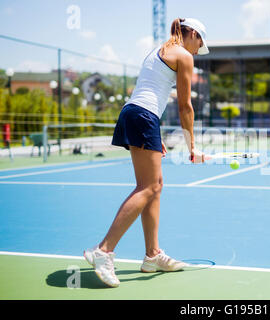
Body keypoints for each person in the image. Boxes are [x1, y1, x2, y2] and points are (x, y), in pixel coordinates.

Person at [83, 18, 209, 287]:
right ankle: (103, 251)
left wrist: (155, 135)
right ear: (194, 34)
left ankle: (152, 255)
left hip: (136, 113)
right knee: (148, 187)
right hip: (143, 116)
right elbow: (186, 107)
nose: (198, 50)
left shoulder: (157, 50)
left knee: (156, 186)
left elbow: (150, 92)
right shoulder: (184, 56)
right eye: (200, 43)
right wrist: (192, 147)